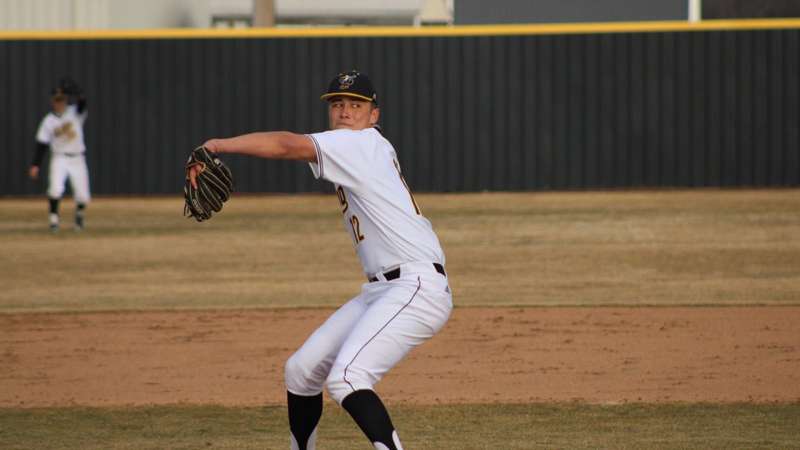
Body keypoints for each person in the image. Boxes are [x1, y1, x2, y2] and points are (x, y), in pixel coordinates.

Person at [189, 70, 452, 450]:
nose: (345, 111)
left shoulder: (360, 144)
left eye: (356, 105)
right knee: (301, 370)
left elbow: (285, 145)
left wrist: (219, 145)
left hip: (415, 287)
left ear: (373, 115)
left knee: (347, 377)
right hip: (384, 289)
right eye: (338, 104)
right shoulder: (358, 147)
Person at [29, 78, 91, 232]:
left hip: (78, 157)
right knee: (55, 189)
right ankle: (54, 220)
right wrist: (35, 165)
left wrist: (79, 94)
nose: (59, 102)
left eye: (62, 99)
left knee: (83, 194)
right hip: (60, 157)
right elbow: (41, 144)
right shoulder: (48, 121)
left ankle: (79, 216)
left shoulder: (74, 112)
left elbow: (83, 105)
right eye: (57, 100)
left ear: (66, 100)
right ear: (53, 101)